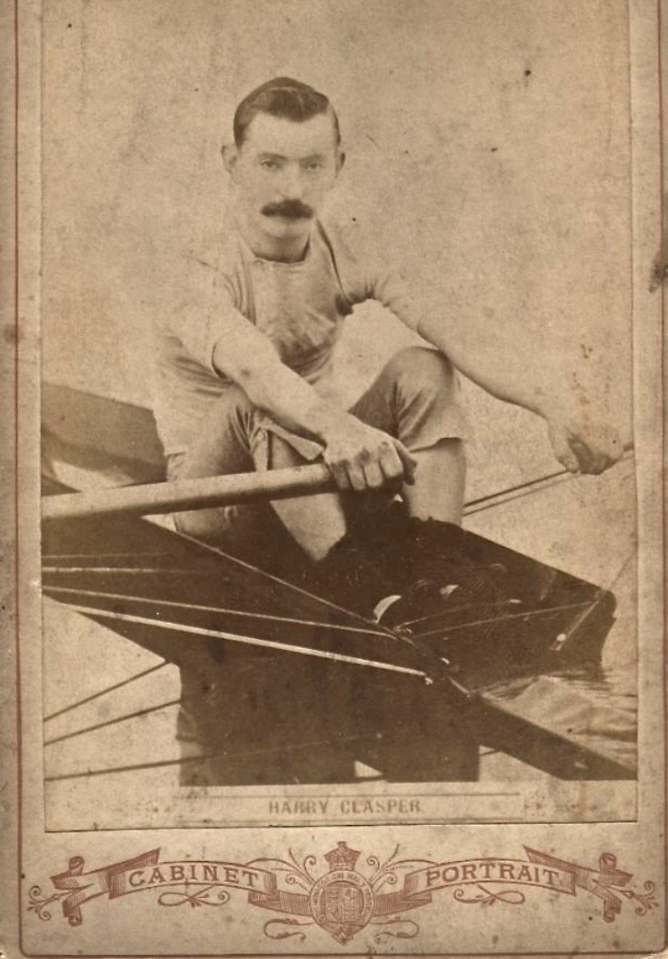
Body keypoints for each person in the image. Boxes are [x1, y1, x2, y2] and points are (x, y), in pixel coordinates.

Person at [151, 77, 622, 785]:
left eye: (312, 164)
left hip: (299, 471)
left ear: (339, 164)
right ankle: (363, 594)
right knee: (263, 401)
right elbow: (254, 369)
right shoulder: (195, 263)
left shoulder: (343, 247)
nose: (292, 187)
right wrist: (338, 430)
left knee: (422, 369)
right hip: (212, 501)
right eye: (271, 163)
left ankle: (433, 571)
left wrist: (555, 405)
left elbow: (456, 331)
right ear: (232, 161)